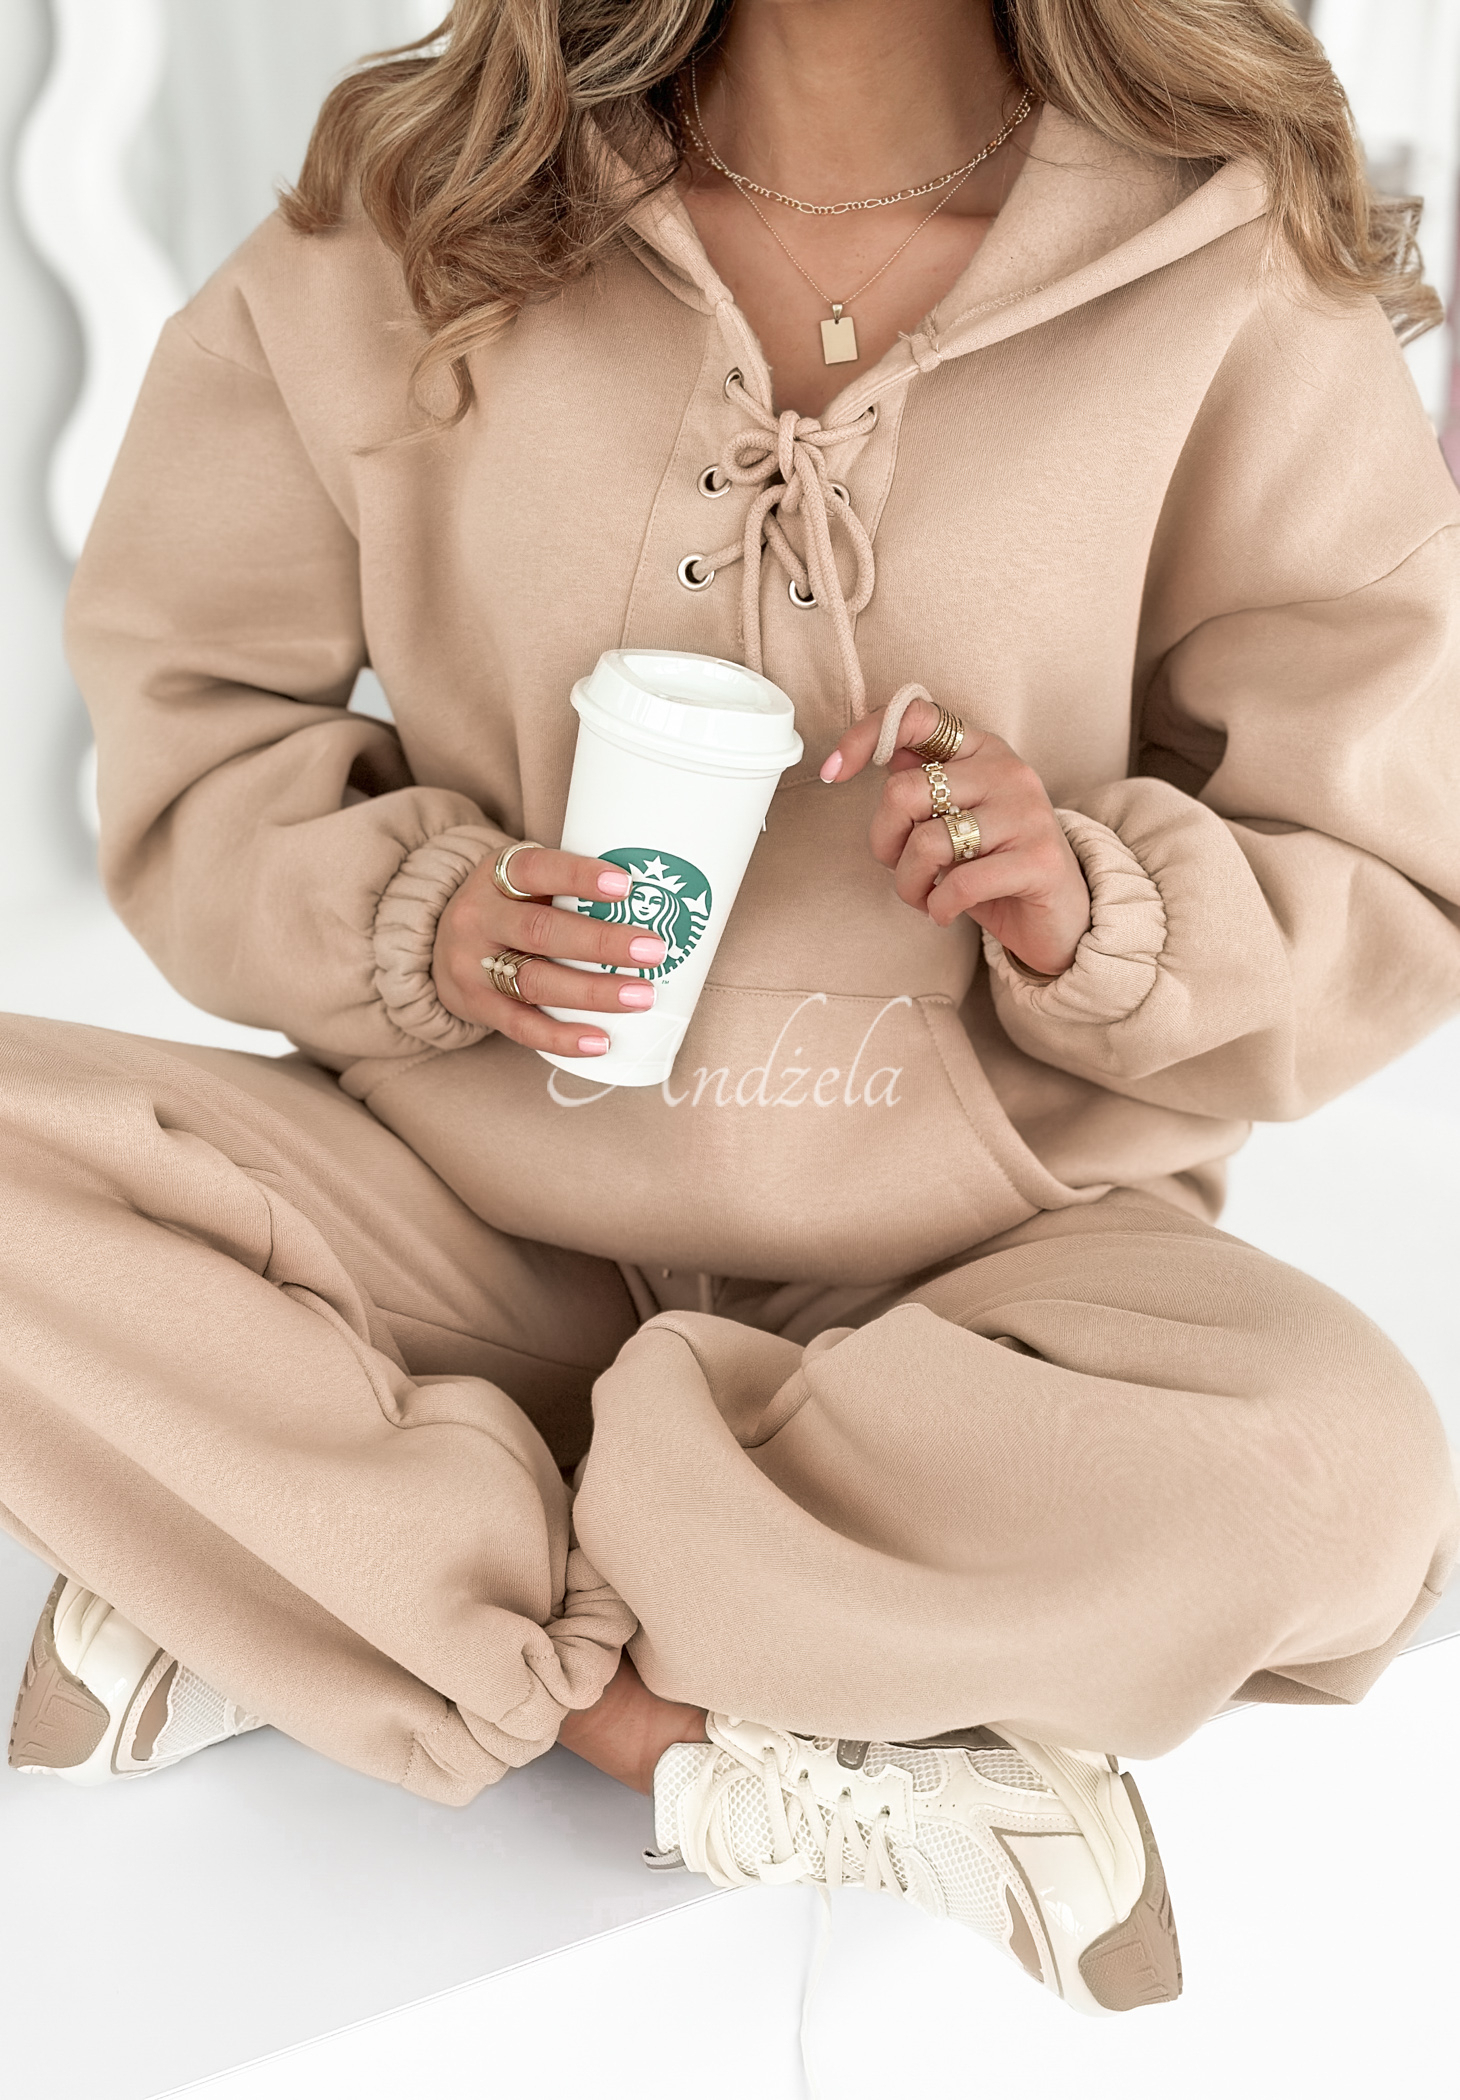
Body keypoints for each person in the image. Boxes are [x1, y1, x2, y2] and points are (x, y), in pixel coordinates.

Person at [6, 0, 1458, 2015]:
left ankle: (333, 1565)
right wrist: (426, 919)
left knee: (1346, 1482)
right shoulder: (413, 216)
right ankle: (675, 1690)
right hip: (454, 1228)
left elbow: (1381, 857)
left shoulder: (1226, 274)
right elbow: (197, 724)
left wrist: (1090, 907)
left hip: (981, 1291)